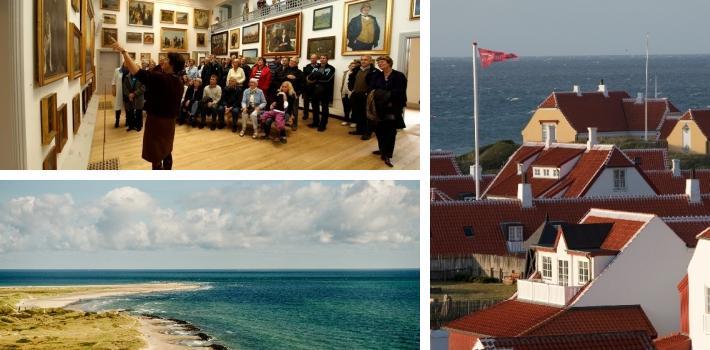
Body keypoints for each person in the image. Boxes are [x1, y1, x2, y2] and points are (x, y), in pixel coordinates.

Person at [111, 40, 185, 170]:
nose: (164, 61)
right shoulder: (178, 81)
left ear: (172, 64)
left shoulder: (161, 79)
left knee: (155, 154)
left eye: (167, 60)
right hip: (170, 123)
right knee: (166, 150)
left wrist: (124, 52)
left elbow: (136, 71)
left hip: (157, 122)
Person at [370, 56, 407, 168]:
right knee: (379, 130)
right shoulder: (377, 75)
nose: (380, 64)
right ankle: (382, 149)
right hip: (379, 108)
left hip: (393, 107)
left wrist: (383, 93)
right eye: (378, 63)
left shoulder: (399, 76)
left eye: (382, 62)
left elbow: (399, 91)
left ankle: (387, 155)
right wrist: (384, 93)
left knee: (390, 132)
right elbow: (372, 88)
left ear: (389, 63)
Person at [348, 55, 379, 140]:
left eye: (365, 60)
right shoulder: (356, 70)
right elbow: (351, 80)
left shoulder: (375, 71)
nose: (363, 61)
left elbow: (375, 84)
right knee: (357, 113)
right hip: (356, 94)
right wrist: (351, 89)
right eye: (362, 60)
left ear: (370, 61)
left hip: (367, 96)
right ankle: (359, 130)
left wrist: (367, 93)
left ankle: (367, 133)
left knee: (367, 115)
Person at [308, 55, 335, 132]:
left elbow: (327, 79)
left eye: (324, 58)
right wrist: (318, 76)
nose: (322, 60)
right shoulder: (316, 67)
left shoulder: (331, 68)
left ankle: (323, 125)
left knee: (324, 109)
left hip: (325, 91)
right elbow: (310, 77)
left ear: (327, 59)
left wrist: (317, 76)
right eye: (321, 58)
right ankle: (315, 122)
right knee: (315, 107)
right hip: (314, 90)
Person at [123, 67, 146, 132]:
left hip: (138, 98)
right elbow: (124, 87)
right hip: (129, 98)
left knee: (138, 113)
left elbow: (143, 87)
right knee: (130, 113)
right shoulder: (126, 77)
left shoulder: (141, 77)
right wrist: (129, 95)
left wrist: (134, 94)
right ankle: (131, 126)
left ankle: (138, 126)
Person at [283, 57, 304, 130]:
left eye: (293, 61)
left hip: (294, 94)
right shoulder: (285, 70)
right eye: (291, 60)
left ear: (297, 63)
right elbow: (281, 78)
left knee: (294, 110)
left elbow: (302, 84)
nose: (291, 62)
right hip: (285, 93)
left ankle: (294, 124)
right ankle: (286, 121)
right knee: (285, 108)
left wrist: (298, 93)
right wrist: (286, 76)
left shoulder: (300, 72)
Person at [340, 60, 359, 127]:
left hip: (352, 93)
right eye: (351, 66)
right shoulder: (345, 73)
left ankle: (354, 121)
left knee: (354, 108)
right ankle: (346, 120)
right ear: (349, 66)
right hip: (344, 92)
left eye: (354, 66)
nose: (352, 67)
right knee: (346, 108)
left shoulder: (357, 74)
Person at [301, 54, 319, 121]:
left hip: (315, 88)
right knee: (306, 102)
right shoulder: (307, 67)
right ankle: (305, 114)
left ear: (317, 59)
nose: (312, 59)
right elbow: (304, 76)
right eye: (311, 58)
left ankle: (315, 116)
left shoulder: (319, 66)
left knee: (315, 103)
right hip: (307, 87)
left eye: (314, 58)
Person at [111, 63, 126, 128]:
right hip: (119, 91)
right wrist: (113, 89)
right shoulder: (118, 70)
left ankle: (127, 121)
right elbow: (113, 81)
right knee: (118, 106)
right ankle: (117, 121)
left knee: (127, 107)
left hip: (127, 92)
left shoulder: (130, 70)